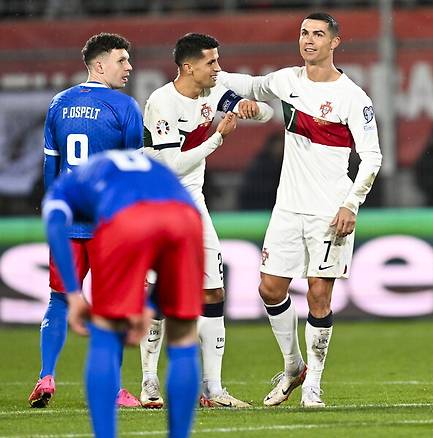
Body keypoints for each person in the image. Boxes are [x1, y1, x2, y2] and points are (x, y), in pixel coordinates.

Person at [218, 12, 382, 407]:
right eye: (304, 33)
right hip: (288, 207)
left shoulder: (352, 97)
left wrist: (350, 203)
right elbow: (254, 86)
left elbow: (372, 157)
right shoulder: (287, 80)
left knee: (318, 297)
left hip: (330, 209)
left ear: (335, 42)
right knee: (269, 288)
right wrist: (213, 74)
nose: (309, 40)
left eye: (318, 34)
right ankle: (293, 367)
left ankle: (314, 385)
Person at [141, 32, 273, 409]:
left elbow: (265, 113)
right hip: (158, 205)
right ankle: (150, 382)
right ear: (188, 67)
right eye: (211, 63)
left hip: (193, 206)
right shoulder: (161, 102)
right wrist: (217, 137)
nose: (218, 68)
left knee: (213, 292)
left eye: (218, 61)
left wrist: (250, 107)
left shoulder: (214, 92)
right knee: (160, 297)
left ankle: (213, 390)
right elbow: (172, 163)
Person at [43, 150, 204, 438]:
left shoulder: (67, 184)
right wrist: (150, 307)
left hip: (126, 217)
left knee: (106, 332)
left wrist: (74, 294)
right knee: (183, 334)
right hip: (186, 217)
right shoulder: (147, 167)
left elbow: (55, 225)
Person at [29, 32, 142, 409]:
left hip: (69, 220)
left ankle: (46, 374)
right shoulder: (124, 107)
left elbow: (51, 166)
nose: (128, 67)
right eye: (121, 60)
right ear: (99, 64)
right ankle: (113, 391)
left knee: (59, 299)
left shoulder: (58, 104)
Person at [238, 132, 284, 210]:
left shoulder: (287, 163)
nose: (279, 149)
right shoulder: (260, 163)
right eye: (277, 146)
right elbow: (254, 186)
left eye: (281, 146)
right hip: (259, 203)